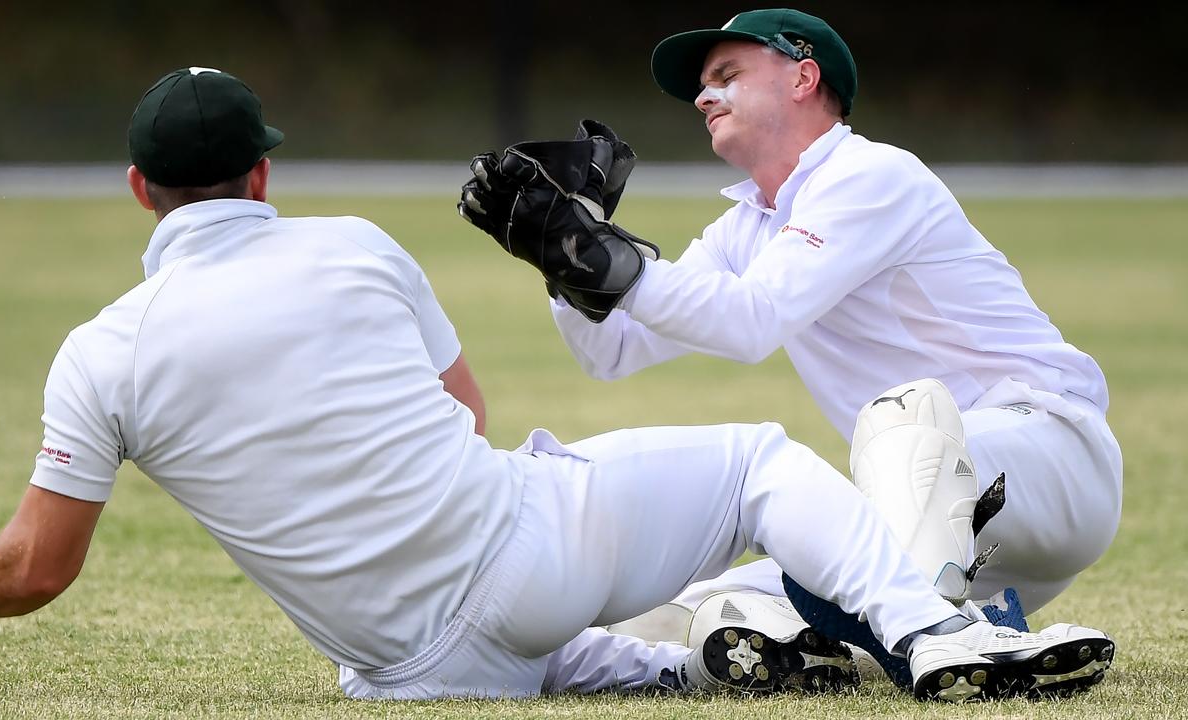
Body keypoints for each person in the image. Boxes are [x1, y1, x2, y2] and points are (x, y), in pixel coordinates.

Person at [0, 67, 1113, 704]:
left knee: (595, 628)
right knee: (755, 461)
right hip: (522, 567)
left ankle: (712, 658)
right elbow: (469, 416)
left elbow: (38, 570)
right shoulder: (355, 247)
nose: (702, 90)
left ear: (136, 189)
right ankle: (924, 632)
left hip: (402, 670)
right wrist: (570, 246)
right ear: (263, 172)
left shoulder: (98, 351)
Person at [458, 7, 1122, 690]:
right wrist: (561, 260)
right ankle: (945, 638)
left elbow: (752, 320)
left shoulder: (870, 175)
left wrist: (594, 251)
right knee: (682, 612)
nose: (702, 94)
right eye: (702, 84)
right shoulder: (746, 225)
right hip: (942, 523)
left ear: (803, 76)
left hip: (1046, 459)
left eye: (726, 74)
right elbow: (613, 351)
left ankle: (948, 642)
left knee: (904, 420)